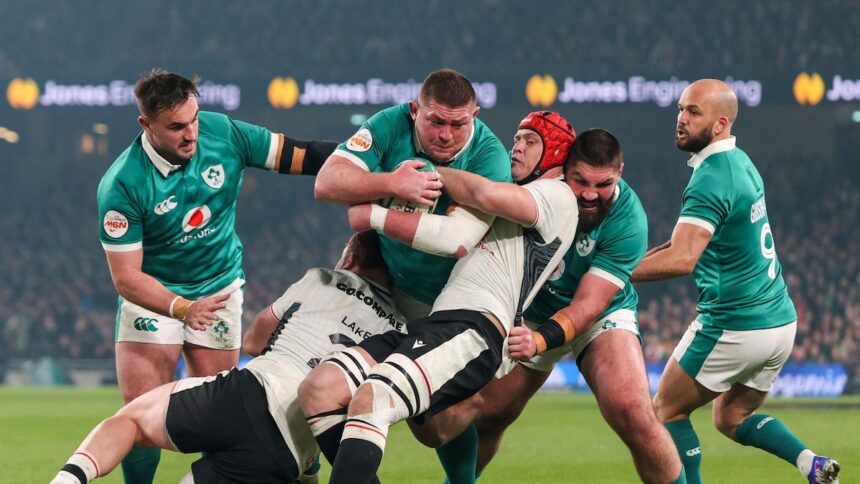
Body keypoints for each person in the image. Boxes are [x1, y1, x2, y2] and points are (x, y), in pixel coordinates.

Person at [299, 126, 594, 484]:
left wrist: (406, 184)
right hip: (438, 319)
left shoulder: (556, 194)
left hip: (475, 326)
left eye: (531, 141)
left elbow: (471, 208)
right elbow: (454, 227)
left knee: (375, 397)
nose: (517, 147)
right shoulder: (507, 196)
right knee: (320, 388)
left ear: (556, 153)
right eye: (517, 138)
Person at [96, 69, 337, 483]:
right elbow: (126, 278)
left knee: (220, 418)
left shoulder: (221, 132)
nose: (191, 133)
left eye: (194, 119)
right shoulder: (122, 184)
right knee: (137, 417)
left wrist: (372, 160)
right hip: (154, 297)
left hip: (218, 291)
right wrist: (182, 308)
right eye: (176, 127)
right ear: (146, 124)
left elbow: (300, 155)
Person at [51, 231, 406, 484]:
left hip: (248, 393)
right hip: (291, 451)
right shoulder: (401, 331)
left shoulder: (323, 279)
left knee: (131, 420)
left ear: (350, 258)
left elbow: (253, 340)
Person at [630, 79, 841, 484]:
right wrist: (629, 262)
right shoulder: (740, 162)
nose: (681, 119)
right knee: (731, 417)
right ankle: (810, 464)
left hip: (735, 325)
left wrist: (612, 272)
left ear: (720, 123)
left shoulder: (712, 177)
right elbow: (680, 243)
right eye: (680, 109)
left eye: (693, 112)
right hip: (780, 324)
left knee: (666, 410)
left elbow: (683, 258)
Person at [313, 67, 511, 481]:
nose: (446, 135)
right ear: (414, 110)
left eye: (458, 124)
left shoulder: (489, 157)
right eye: (435, 121)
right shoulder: (389, 124)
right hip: (390, 289)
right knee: (321, 381)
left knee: (432, 427)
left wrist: (372, 215)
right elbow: (327, 183)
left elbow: (457, 240)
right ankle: (303, 464)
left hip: (452, 304)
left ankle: (465, 421)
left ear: (475, 116)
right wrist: (393, 183)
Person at [471, 122, 684, 483]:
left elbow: (588, 306)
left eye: (603, 185)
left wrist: (538, 341)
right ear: (564, 168)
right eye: (580, 181)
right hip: (532, 313)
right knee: (489, 416)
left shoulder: (628, 218)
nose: (589, 194)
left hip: (601, 313)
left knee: (632, 412)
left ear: (620, 173)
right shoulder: (534, 189)